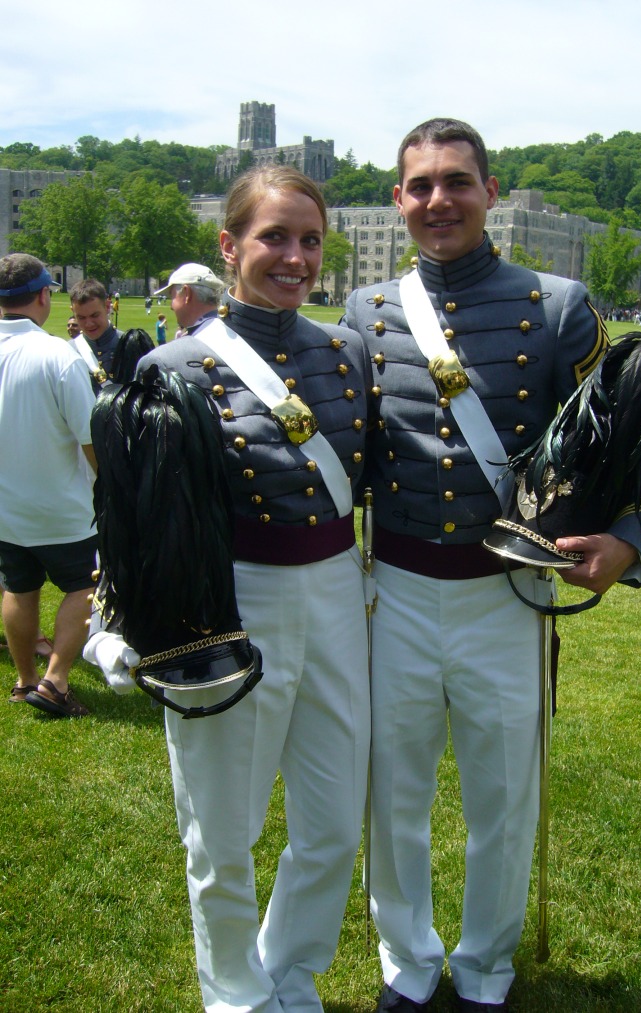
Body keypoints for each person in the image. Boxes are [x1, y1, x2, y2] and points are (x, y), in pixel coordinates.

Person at [343, 118, 641, 1013]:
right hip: (393, 591)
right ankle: (406, 960)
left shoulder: (559, 305)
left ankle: (486, 966)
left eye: (456, 181)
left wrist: (629, 539)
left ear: (490, 190)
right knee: (392, 791)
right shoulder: (366, 312)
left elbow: (627, 443)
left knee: (503, 798)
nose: (437, 200)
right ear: (399, 198)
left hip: (507, 592)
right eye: (419, 185)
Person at [86, 166, 371, 1013]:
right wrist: (125, 620)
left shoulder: (348, 351)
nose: (294, 256)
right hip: (228, 599)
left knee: (331, 818)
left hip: (337, 592)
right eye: (274, 237)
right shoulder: (170, 365)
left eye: (310, 239)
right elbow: (132, 517)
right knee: (222, 827)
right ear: (229, 247)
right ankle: (235, 995)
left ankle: (291, 968)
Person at [0, 254, 97, 717]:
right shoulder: (59, 354)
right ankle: (54, 682)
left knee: (18, 589)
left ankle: (23, 682)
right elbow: (90, 438)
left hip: (6, 506)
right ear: (43, 295)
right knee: (87, 585)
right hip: (61, 505)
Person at [69, 278, 123, 392]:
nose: (89, 324)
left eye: (94, 315)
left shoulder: (127, 345)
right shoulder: (68, 350)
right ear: (72, 311)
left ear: (107, 307)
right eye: (81, 317)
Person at [153, 261, 225, 338]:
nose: (171, 306)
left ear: (187, 293)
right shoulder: (231, 333)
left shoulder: (186, 347)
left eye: (172, 296)